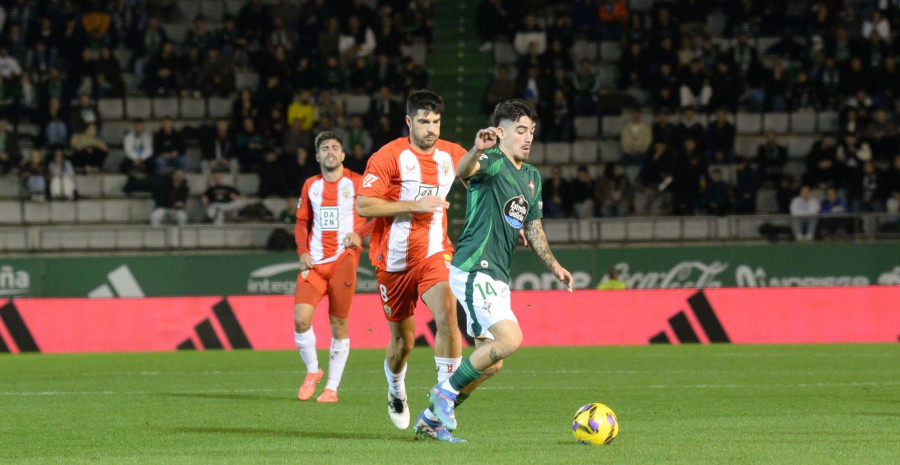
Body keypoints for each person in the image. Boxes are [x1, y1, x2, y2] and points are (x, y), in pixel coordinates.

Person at [423, 99, 574, 442]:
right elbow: (464, 172)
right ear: (501, 132)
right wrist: (476, 150)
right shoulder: (490, 161)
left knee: (491, 362)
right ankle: (443, 393)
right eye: (520, 130)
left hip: (497, 276)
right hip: (475, 267)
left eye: (531, 131)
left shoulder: (532, 177)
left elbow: (533, 226)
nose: (527, 137)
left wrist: (554, 265)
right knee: (510, 339)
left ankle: (432, 419)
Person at [355, 90, 466, 437]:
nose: (430, 128)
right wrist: (413, 206)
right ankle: (395, 387)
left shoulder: (452, 154)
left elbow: (482, 174)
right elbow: (364, 205)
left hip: (434, 252)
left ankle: (442, 404)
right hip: (393, 261)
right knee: (402, 343)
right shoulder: (388, 156)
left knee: (448, 308)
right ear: (409, 121)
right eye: (423, 121)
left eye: (435, 121)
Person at [293, 131, 373, 403]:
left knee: (339, 324)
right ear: (317, 156)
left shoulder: (357, 182)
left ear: (342, 155)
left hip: (344, 261)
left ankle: (332, 388)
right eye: (324, 147)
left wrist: (359, 234)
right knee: (301, 319)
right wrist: (303, 252)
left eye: (335, 147)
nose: (330, 151)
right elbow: (302, 222)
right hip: (314, 264)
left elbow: (376, 215)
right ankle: (313, 371)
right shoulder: (310, 186)